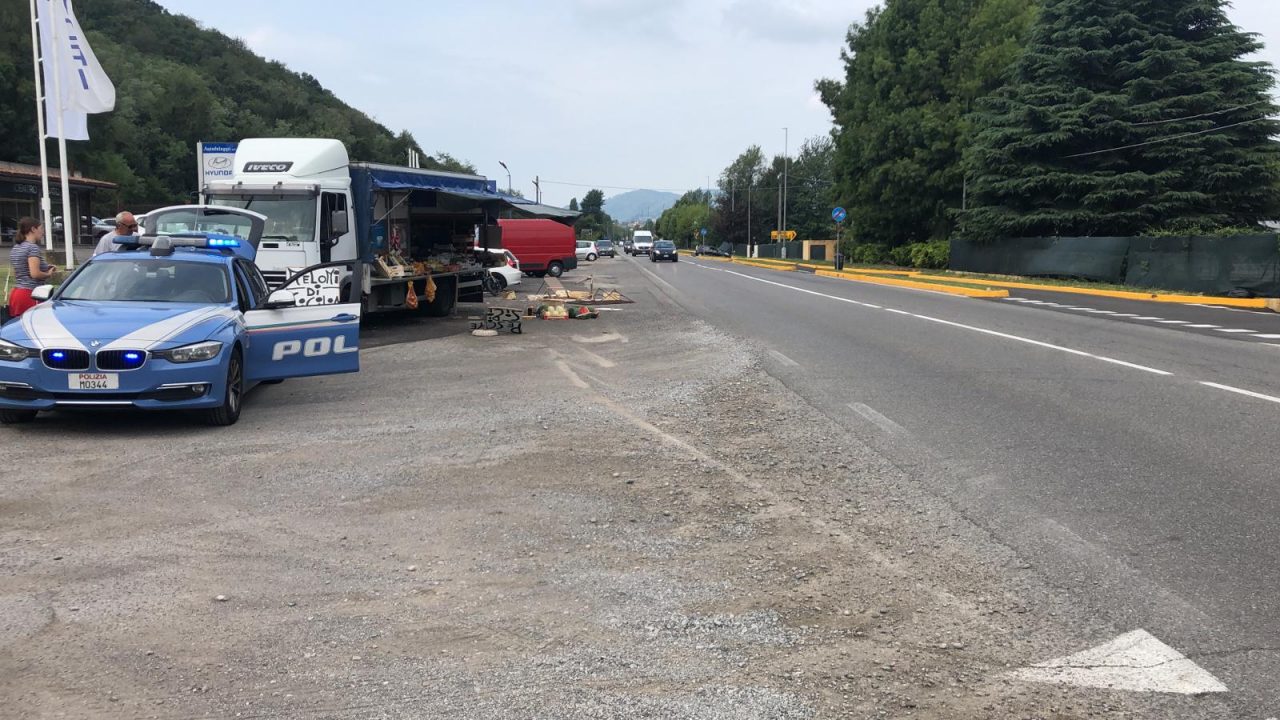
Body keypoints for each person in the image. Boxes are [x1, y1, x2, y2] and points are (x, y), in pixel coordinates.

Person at [8, 217, 58, 318]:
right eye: (41, 228)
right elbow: (35, 274)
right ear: (33, 229)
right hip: (31, 294)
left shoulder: (16, 247)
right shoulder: (32, 248)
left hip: (16, 293)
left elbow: (18, 271)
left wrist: (45, 267)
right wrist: (48, 274)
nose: (43, 232)